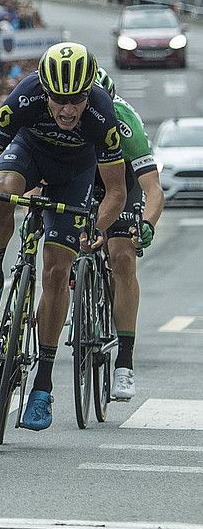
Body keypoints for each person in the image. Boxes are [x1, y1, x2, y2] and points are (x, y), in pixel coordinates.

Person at [0, 42, 126, 431]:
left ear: (88, 93)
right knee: (1, 186)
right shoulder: (26, 94)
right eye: (59, 100)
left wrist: (97, 227)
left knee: (57, 272)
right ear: (46, 92)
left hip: (75, 177)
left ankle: (42, 384)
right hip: (29, 154)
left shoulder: (103, 115)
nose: (68, 109)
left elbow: (117, 193)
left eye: (76, 100)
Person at [92, 68, 162, 401]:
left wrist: (147, 224)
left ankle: (124, 362)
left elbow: (153, 188)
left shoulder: (124, 121)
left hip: (122, 184)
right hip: (82, 178)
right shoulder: (64, 114)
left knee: (122, 256)